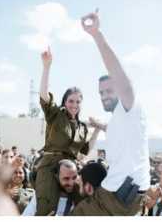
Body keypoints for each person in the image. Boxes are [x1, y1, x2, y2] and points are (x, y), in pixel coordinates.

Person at [73, 9, 150, 215]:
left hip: (118, 195)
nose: (104, 95)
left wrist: (97, 35)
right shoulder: (120, 118)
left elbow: (120, 78)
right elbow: (121, 134)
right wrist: (100, 126)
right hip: (123, 194)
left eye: (109, 90)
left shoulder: (130, 105)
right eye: (101, 93)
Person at [34, 46, 101, 215]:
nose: (75, 105)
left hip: (71, 169)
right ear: (65, 101)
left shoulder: (82, 127)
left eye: (78, 102)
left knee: (85, 205)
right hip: (50, 166)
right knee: (46, 210)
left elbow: (85, 149)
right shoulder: (55, 114)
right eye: (71, 101)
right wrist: (46, 67)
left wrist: (98, 130)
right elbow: (44, 96)